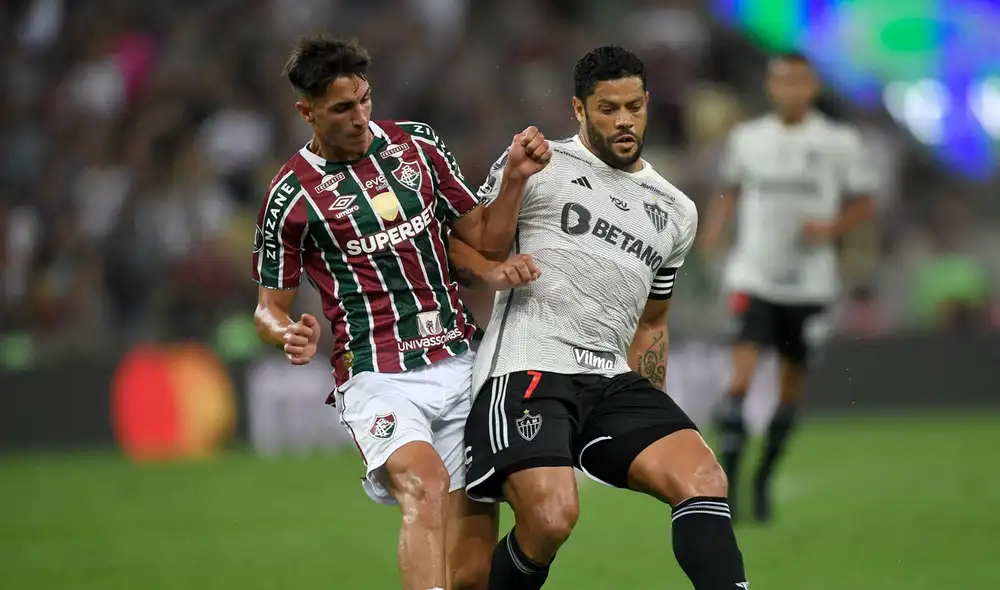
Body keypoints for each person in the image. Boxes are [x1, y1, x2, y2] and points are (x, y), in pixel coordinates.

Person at [251, 35, 551, 590]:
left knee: (472, 572)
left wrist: (512, 179)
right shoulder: (291, 194)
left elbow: (485, 238)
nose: (360, 116)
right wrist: (287, 333)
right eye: (342, 108)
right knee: (425, 484)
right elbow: (268, 308)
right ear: (306, 111)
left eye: (364, 99)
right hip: (376, 374)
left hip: (462, 361)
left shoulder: (417, 145)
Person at [463, 45, 749, 590]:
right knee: (549, 519)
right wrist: (516, 181)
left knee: (704, 477)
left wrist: (651, 399)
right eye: (608, 108)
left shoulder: (676, 209)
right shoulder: (539, 163)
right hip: (528, 367)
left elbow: (653, 321)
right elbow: (477, 245)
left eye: (634, 107)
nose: (624, 121)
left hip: (611, 378)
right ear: (579, 109)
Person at [700, 51, 876, 523]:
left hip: (811, 284)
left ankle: (762, 480)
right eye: (782, 81)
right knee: (739, 380)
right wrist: (716, 228)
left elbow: (864, 203)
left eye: (799, 82)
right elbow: (733, 188)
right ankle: (730, 489)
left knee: (790, 390)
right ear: (771, 86)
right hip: (753, 275)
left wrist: (831, 227)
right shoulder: (748, 139)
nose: (790, 90)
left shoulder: (838, 141)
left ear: (812, 87)